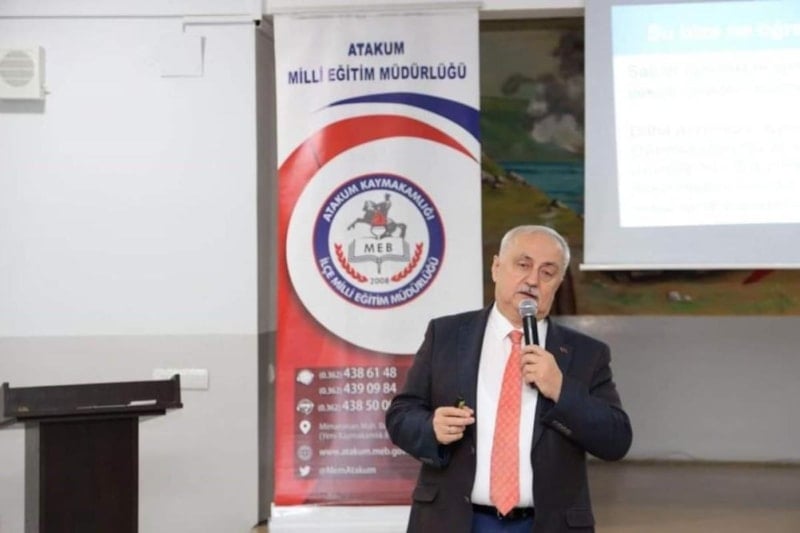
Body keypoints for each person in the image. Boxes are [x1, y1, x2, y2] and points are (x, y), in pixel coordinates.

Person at [385, 225, 632, 532]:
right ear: (496, 268)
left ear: (558, 283)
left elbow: (616, 441)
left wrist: (561, 389)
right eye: (523, 265)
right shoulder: (446, 335)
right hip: (455, 521)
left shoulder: (586, 354)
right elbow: (401, 415)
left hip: (546, 524)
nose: (533, 280)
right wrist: (430, 427)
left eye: (547, 272)